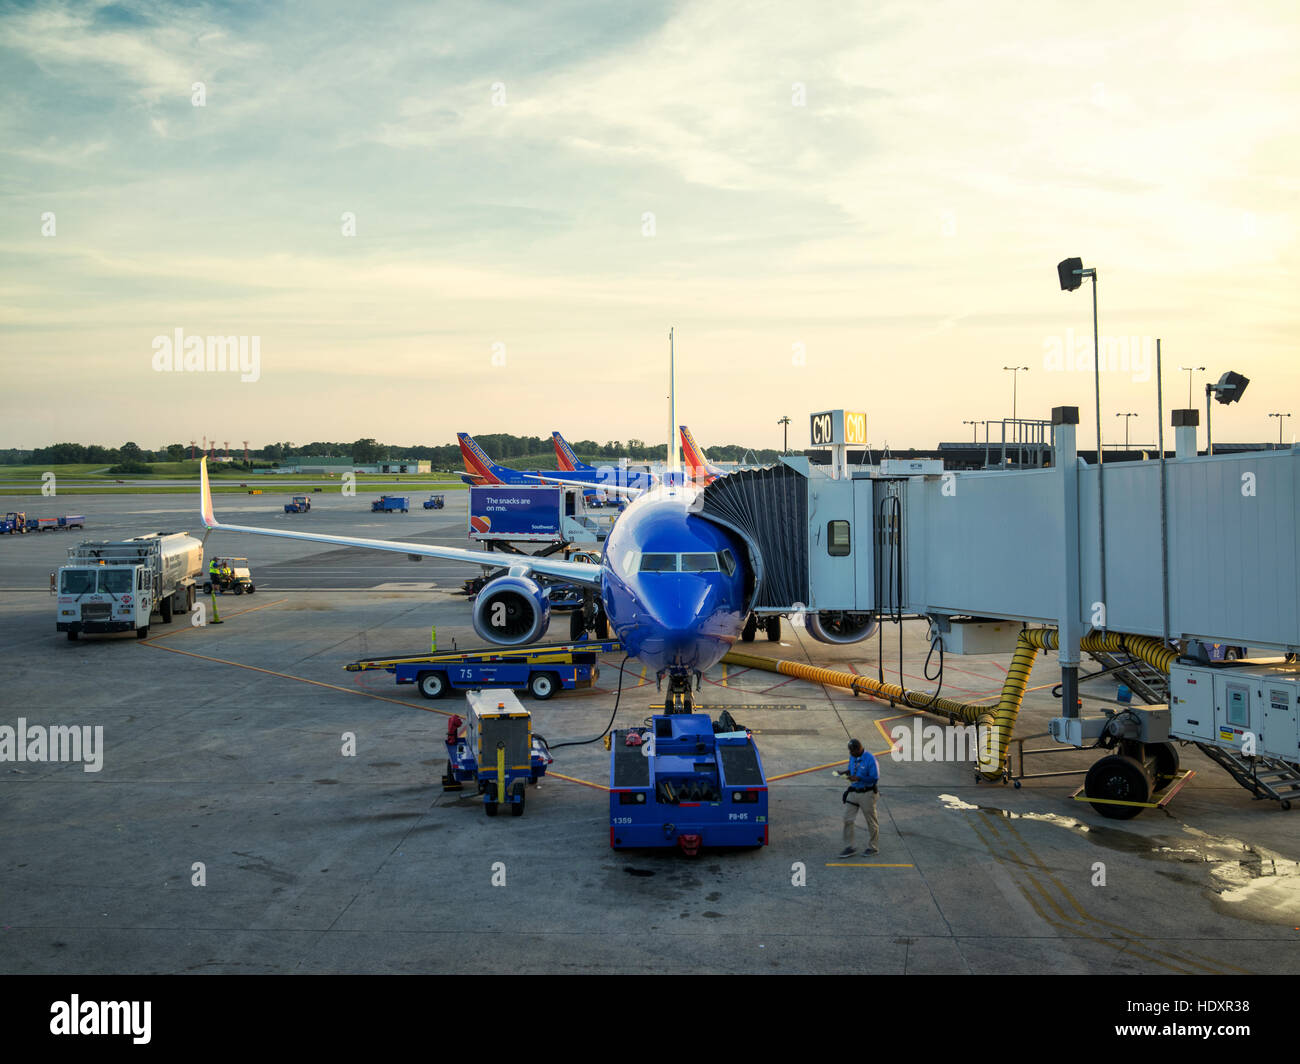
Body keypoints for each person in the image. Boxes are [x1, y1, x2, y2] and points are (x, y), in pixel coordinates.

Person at [836, 738, 879, 859]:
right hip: (854, 792)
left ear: (859, 749)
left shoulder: (870, 759)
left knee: (871, 822)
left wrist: (859, 779)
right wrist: (845, 772)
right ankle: (850, 847)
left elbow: (874, 778)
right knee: (847, 819)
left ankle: (873, 847)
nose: (850, 754)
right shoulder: (852, 756)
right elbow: (852, 769)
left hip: (867, 793)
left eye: (852, 752)